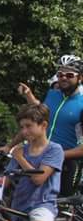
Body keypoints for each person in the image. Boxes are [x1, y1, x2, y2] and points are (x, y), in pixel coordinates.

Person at [11, 57, 83, 195]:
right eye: (60, 74)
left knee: (62, 208)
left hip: (67, 162)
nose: (63, 78)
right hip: (39, 155)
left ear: (80, 77)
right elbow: (38, 116)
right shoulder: (53, 94)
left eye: (69, 75)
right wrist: (28, 95)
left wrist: (56, 154)